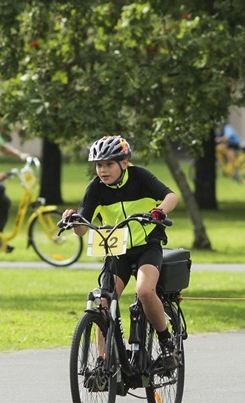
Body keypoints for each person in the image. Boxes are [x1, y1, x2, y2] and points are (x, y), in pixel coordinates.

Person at [62, 135, 180, 368]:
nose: (102, 170)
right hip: (117, 251)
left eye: (108, 164)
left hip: (147, 247)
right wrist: (73, 219)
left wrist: (159, 211)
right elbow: (81, 230)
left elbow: (171, 196)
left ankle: (167, 344)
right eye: (98, 165)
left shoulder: (139, 177)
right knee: (104, 301)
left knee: (145, 291)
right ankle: (103, 361)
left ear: (124, 163)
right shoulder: (95, 188)